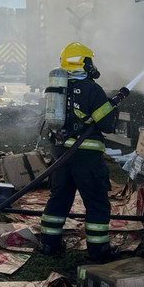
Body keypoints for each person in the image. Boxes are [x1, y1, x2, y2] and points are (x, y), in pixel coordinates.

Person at [40, 42, 118, 262]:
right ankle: (98, 249)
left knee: (59, 198)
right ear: (85, 62)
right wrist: (112, 108)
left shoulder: (58, 88)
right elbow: (106, 124)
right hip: (87, 158)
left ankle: (49, 243)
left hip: (61, 155)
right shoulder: (92, 89)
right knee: (96, 201)